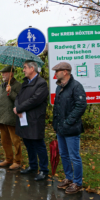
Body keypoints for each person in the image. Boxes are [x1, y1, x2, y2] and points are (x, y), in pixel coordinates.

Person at [52, 62, 87, 194]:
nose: (55, 73)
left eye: (57, 71)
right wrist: (56, 125)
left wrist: (68, 122)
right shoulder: (58, 87)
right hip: (60, 128)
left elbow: (81, 106)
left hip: (71, 128)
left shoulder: (76, 86)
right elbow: (57, 108)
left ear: (65, 72)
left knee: (74, 156)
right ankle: (69, 178)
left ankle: (77, 183)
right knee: (64, 155)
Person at [13, 60, 49, 181]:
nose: (23, 70)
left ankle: (44, 170)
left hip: (35, 119)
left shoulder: (41, 83)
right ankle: (33, 166)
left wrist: (19, 108)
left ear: (32, 69)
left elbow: (35, 100)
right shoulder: (25, 83)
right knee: (28, 143)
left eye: (25, 68)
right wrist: (17, 107)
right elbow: (18, 97)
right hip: (23, 118)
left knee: (38, 144)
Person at [0, 66, 22, 169]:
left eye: (4, 73)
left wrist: (10, 92)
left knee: (15, 141)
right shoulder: (2, 86)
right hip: (2, 117)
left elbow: (20, 100)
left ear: (11, 74)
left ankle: (17, 161)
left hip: (12, 117)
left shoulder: (18, 85)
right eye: (2, 73)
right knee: (5, 141)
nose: (2, 75)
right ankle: (8, 159)